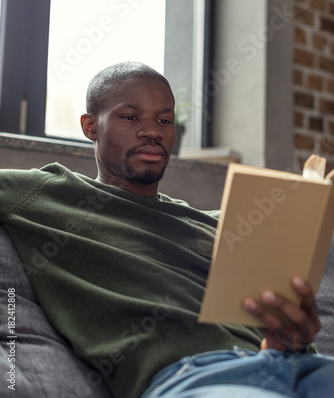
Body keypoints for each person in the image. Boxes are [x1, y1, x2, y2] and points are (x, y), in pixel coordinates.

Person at [0, 61, 333, 398]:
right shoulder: (48, 193)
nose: (152, 131)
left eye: (165, 120)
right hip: (195, 379)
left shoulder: (223, 222)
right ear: (90, 126)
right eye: (131, 117)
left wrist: (293, 340)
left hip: (295, 366)